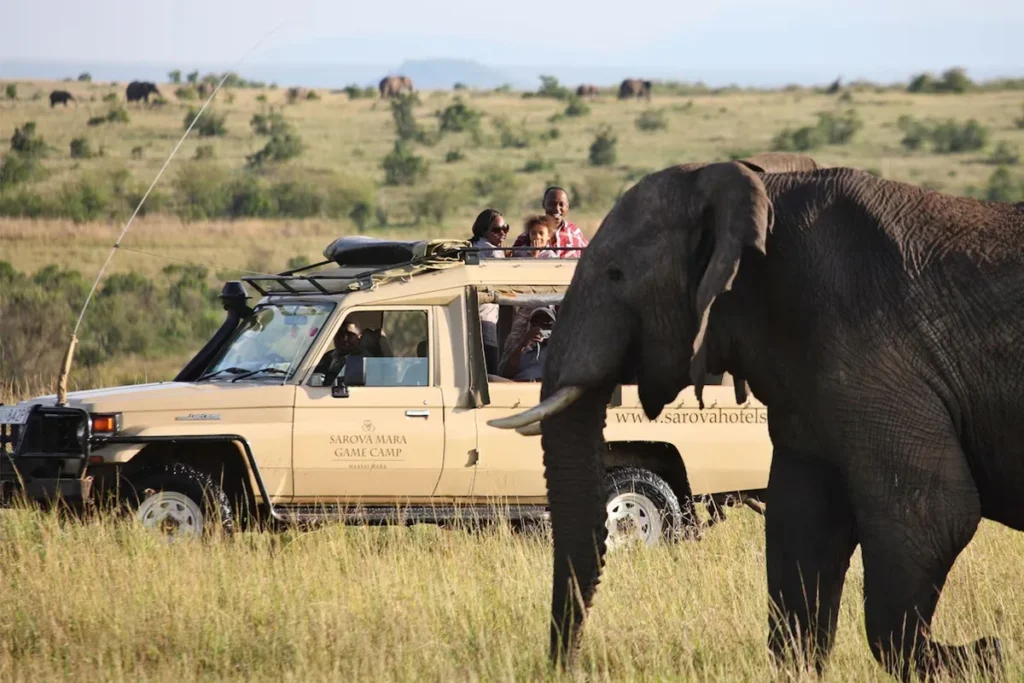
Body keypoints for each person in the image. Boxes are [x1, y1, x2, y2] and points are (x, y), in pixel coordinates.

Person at [468, 209, 509, 373]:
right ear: (483, 230)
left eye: (505, 228)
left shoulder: (471, 246)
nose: (502, 233)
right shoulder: (494, 252)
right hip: (486, 320)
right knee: (490, 373)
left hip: (468, 318)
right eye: (496, 230)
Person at [510, 187, 588, 258]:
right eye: (552, 204)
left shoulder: (574, 231)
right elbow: (514, 261)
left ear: (567, 206)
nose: (557, 209)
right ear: (544, 204)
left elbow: (589, 256)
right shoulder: (527, 235)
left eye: (561, 204)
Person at [500, 306, 556, 381]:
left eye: (547, 324)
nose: (540, 328)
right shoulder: (523, 350)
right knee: (489, 379)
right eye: (536, 323)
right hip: (519, 386)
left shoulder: (557, 352)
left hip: (544, 386)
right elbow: (506, 374)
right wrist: (524, 342)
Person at [313, 318, 363, 384]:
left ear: (359, 336)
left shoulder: (362, 359)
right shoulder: (327, 357)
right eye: (340, 334)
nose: (344, 338)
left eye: (350, 335)